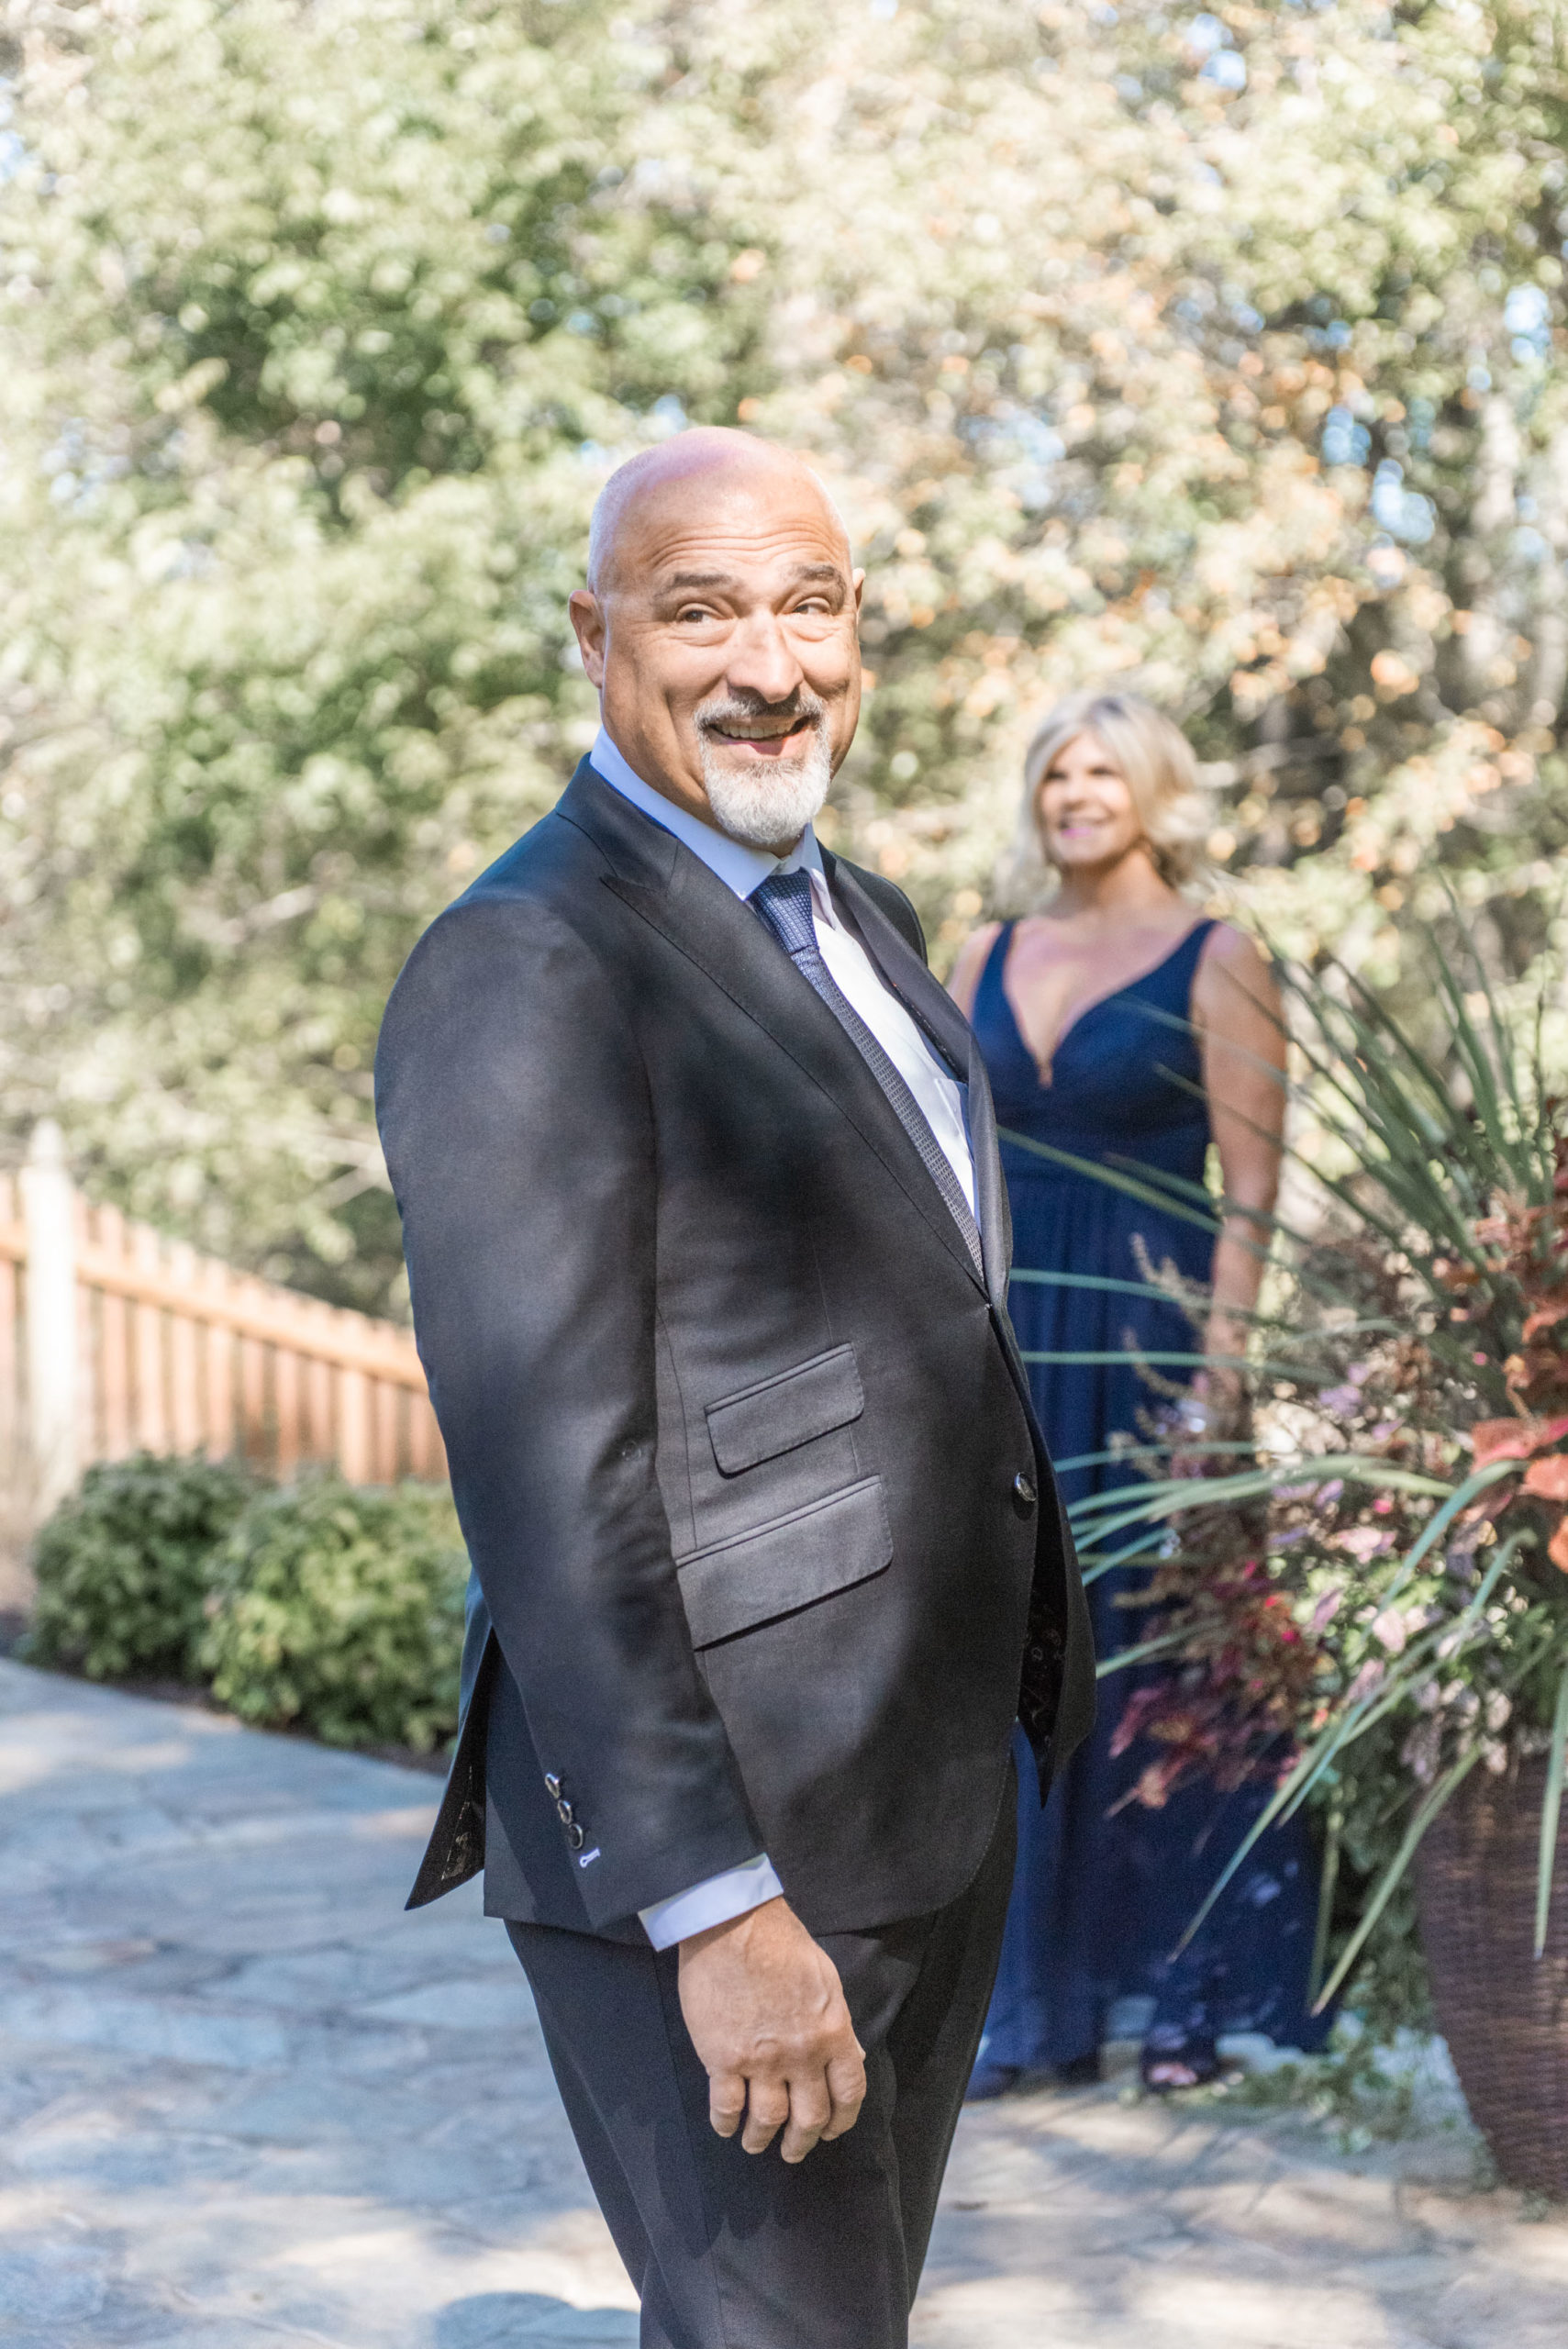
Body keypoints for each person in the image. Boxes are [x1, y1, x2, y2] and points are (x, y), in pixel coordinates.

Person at [375, 429, 1093, 2349]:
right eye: (699, 611)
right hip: (730, 1840)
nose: (768, 665)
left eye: (808, 603)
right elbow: (550, 1481)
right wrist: (714, 1903)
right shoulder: (525, 956)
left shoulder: (872, 920)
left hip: (918, 1796)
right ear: (592, 635)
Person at [949, 691, 1329, 2097]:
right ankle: (1028, 2010)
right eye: (1055, 773)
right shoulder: (982, 950)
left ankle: (1187, 1996)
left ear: (1152, 791)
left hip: (1151, 1335)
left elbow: (1253, 1190)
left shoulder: (1217, 956)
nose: (1073, 794)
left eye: (1101, 772)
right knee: (1014, 1655)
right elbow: (950, 1164)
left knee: (1164, 1660)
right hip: (1012, 1339)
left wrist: (1214, 1384)